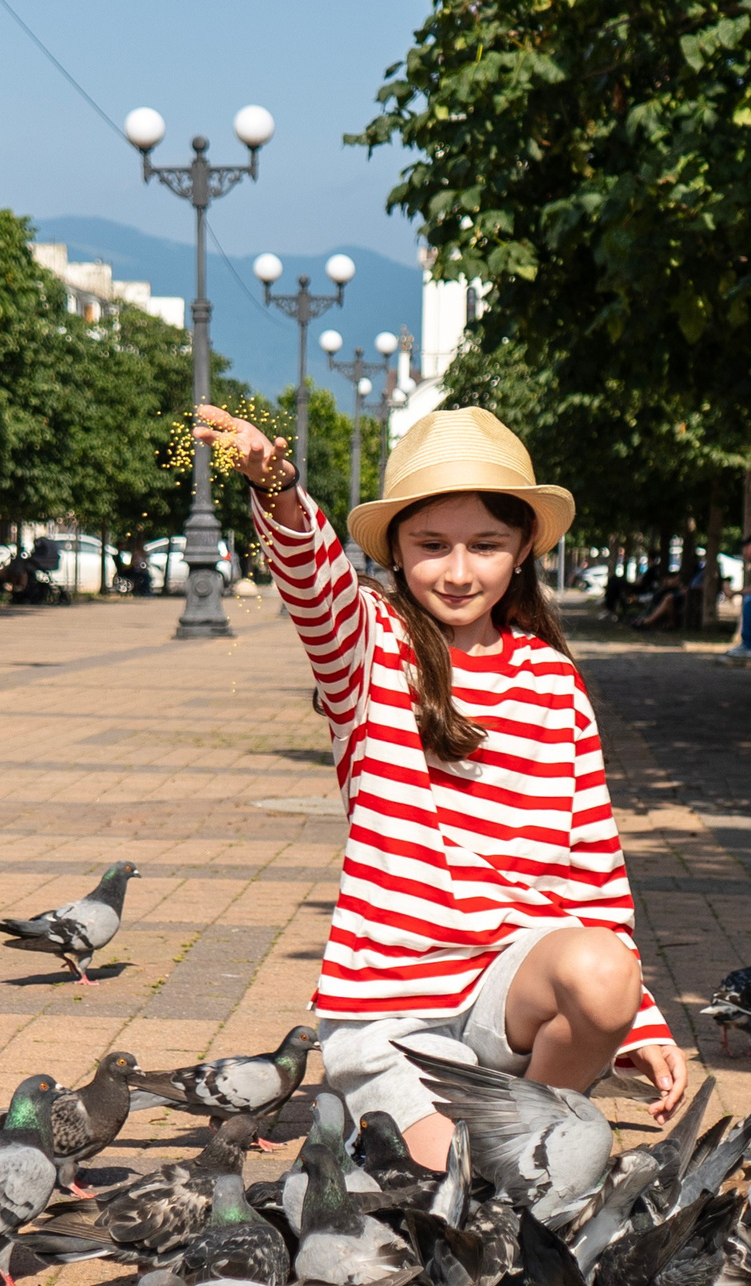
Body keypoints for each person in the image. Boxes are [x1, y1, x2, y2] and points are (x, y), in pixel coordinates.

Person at [195, 400, 688, 1171]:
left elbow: (593, 868)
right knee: (438, 1199)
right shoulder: (368, 648)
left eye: (486, 544)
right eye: (431, 544)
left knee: (600, 978)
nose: (459, 570)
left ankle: (523, 1136)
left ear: (523, 546)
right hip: (391, 1013)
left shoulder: (554, 681)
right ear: (394, 545)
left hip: (509, 994)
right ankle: (470, 1150)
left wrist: (643, 1020)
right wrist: (281, 491)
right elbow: (314, 586)